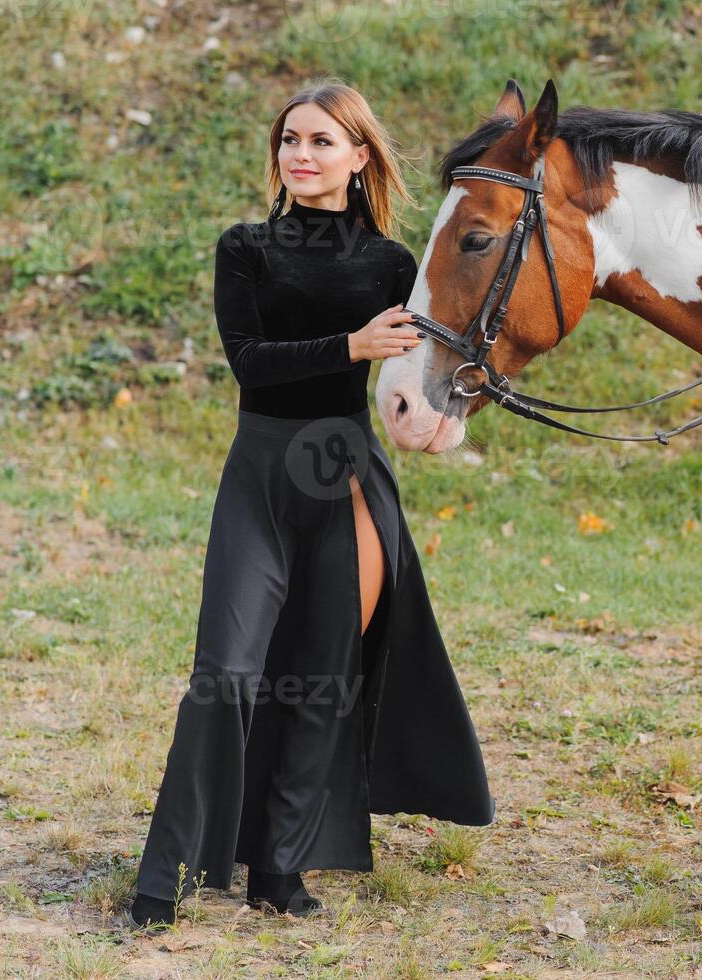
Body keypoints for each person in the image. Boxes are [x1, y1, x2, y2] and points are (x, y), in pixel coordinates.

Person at [128, 80, 492, 928]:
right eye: (291, 138)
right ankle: (167, 874)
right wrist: (351, 344)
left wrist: (447, 412)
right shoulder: (245, 248)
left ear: (358, 156)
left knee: (324, 680)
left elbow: (435, 367)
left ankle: (279, 871)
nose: (301, 153)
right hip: (259, 474)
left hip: (346, 474)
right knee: (223, 675)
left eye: (322, 141)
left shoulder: (394, 265)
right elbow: (250, 361)